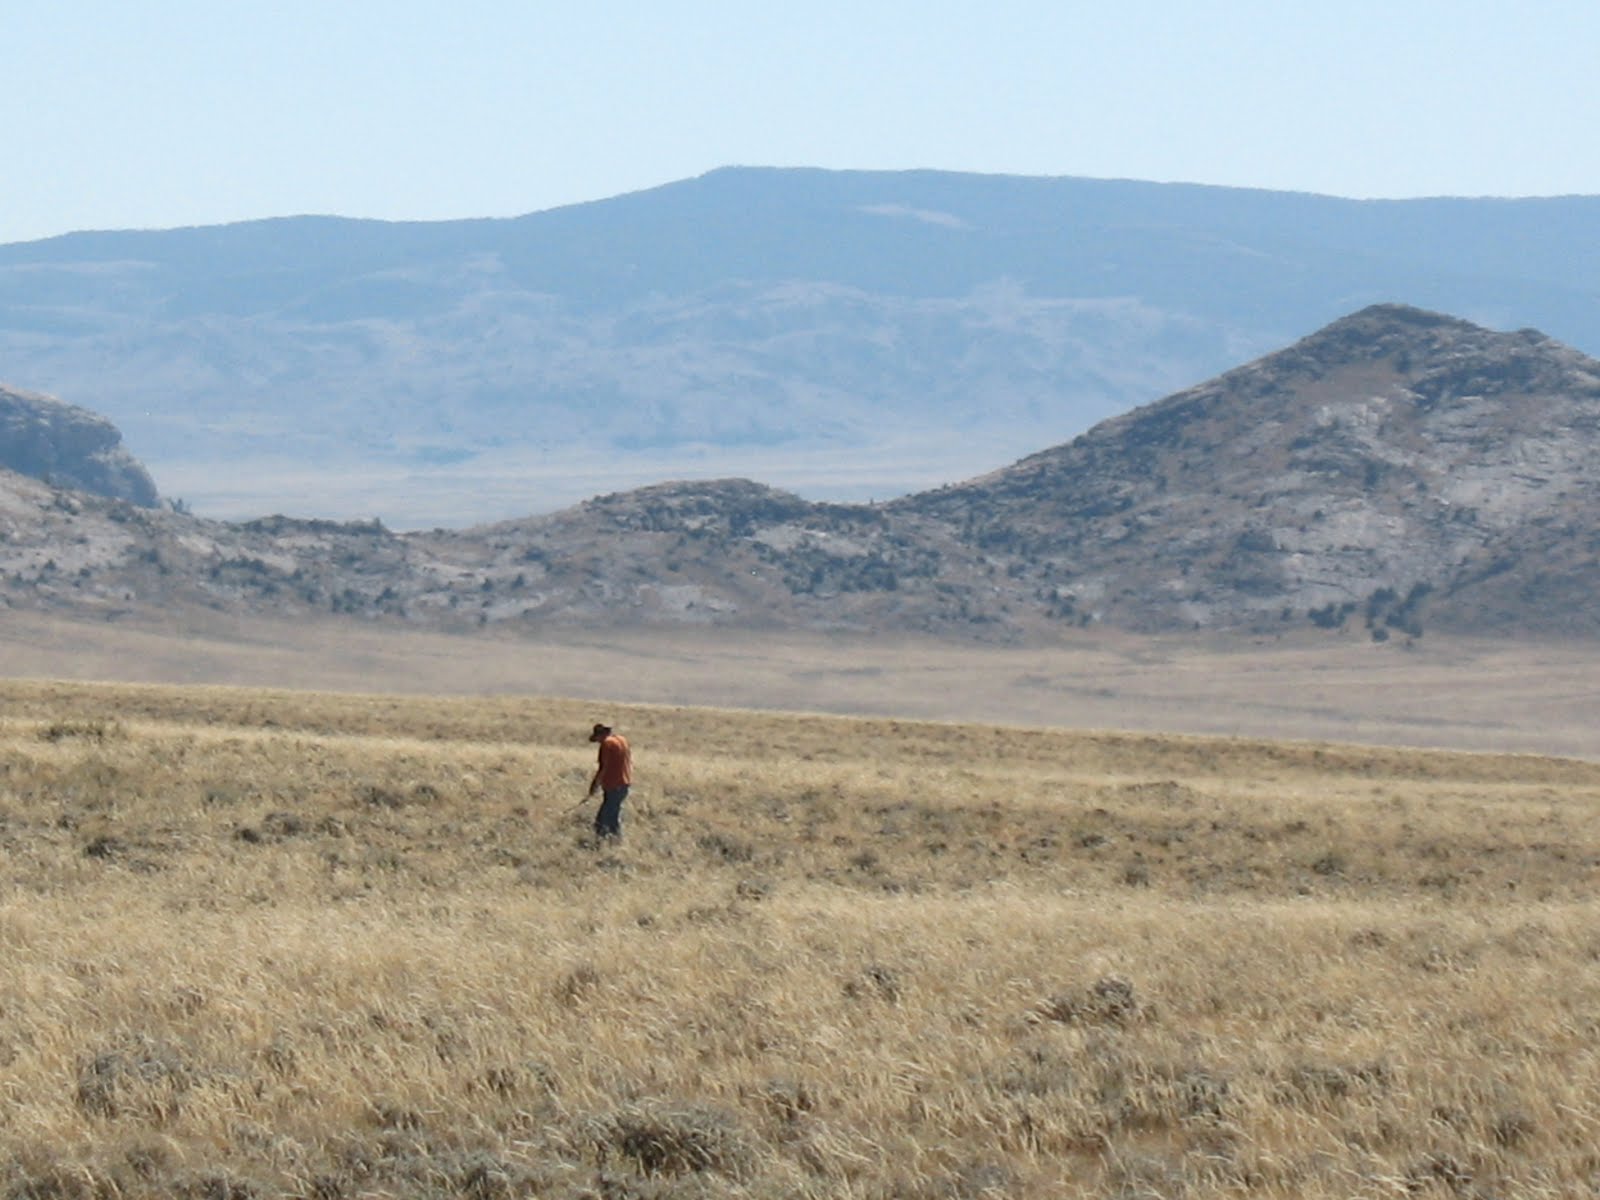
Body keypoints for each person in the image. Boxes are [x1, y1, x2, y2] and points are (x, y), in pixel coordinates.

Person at [587, 722, 632, 841]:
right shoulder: (622, 740)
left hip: (614, 785)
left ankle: (610, 845)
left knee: (606, 820)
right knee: (608, 817)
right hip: (625, 784)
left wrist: (594, 785)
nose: (598, 742)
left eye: (597, 739)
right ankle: (610, 842)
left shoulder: (607, 744)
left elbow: (603, 767)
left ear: (600, 734)